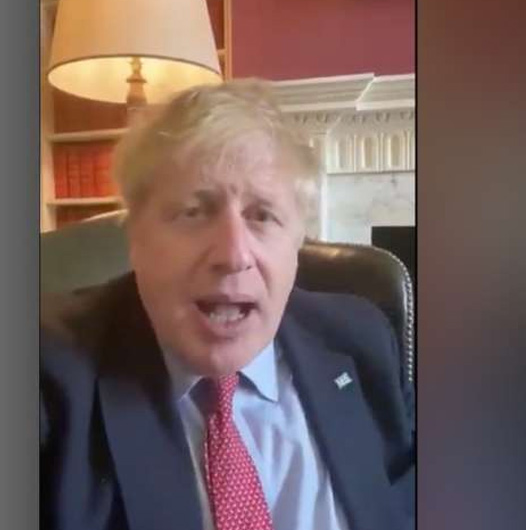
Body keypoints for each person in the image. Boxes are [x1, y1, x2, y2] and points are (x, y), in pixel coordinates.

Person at [40, 80, 415, 530]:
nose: (234, 255)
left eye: (262, 215)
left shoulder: (361, 339)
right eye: (194, 212)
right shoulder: (49, 368)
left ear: (298, 240)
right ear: (134, 235)